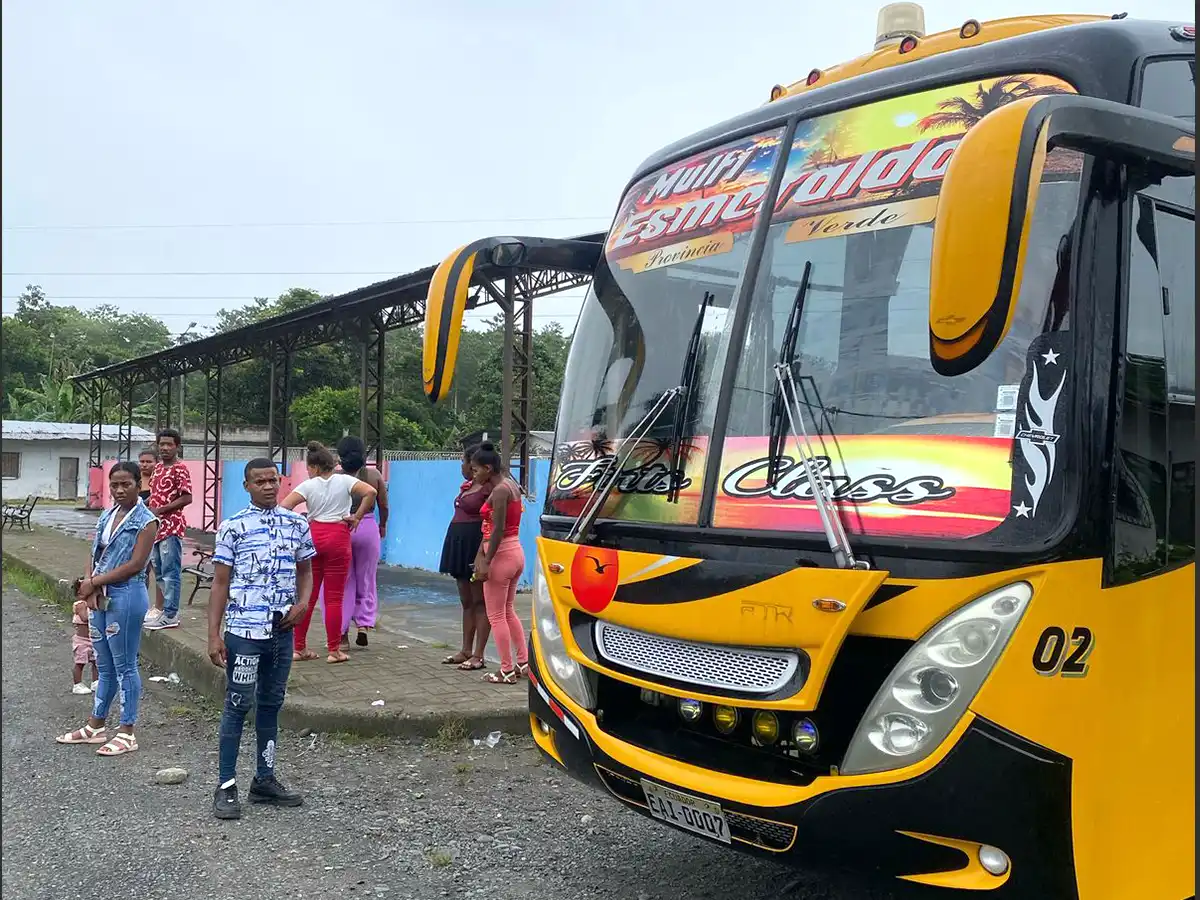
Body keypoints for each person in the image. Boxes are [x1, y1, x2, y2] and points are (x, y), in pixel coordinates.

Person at [208, 458, 315, 820]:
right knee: (238, 705)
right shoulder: (232, 527)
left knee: (271, 704)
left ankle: (264, 780)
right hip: (244, 634)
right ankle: (225, 786)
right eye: (260, 481)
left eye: (273, 480)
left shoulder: (297, 524)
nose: (268, 487)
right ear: (247, 486)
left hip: (280, 634)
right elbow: (220, 583)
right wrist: (213, 635)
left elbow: (306, 570)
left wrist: (302, 604)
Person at [55, 461, 158, 755]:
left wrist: (94, 582)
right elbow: (94, 552)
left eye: (127, 484)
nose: (120, 490)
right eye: (114, 485)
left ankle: (127, 731)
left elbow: (136, 564)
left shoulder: (146, 521)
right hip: (99, 596)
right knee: (104, 663)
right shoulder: (107, 514)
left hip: (126, 597)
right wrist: (89, 584)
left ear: (139, 485)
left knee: (125, 664)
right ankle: (95, 726)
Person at [280, 441, 377, 664]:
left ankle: (299, 648)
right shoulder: (344, 480)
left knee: (308, 596)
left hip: (313, 536)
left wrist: (300, 522)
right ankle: (334, 650)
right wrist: (357, 517)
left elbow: (284, 507)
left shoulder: (307, 486)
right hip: (338, 537)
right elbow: (370, 492)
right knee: (334, 598)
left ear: (313, 467)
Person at [471, 443, 529, 685]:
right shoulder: (511, 485)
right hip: (515, 551)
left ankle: (505, 670)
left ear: (488, 467)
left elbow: (497, 529)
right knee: (507, 610)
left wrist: (486, 560)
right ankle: (523, 662)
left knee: (496, 615)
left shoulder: (500, 491)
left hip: (502, 554)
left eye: (476, 471)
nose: (474, 475)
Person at [438, 444, 492, 671]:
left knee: (480, 601)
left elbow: (493, 521)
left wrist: (483, 553)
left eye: (464, 462)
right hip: (458, 545)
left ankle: (479, 654)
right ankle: (465, 649)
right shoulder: (468, 487)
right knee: (466, 601)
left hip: (474, 546)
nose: (462, 466)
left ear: (474, 464)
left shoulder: (489, 489)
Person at [334, 436, 388, 649]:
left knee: (344, 581)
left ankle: (342, 635)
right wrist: (382, 525)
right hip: (367, 527)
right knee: (366, 577)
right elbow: (384, 505)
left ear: (340, 456)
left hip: (342, 528)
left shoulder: (335, 478)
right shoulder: (373, 475)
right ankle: (364, 625)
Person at [145, 429, 192, 631]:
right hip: (156, 527)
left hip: (171, 526)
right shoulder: (157, 469)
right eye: (161, 444)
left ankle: (171, 614)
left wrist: (161, 509)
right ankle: (165, 611)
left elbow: (187, 497)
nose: (164, 448)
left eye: (169, 444)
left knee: (171, 572)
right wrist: (142, 505)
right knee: (160, 571)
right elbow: (155, 495)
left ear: (177, 446)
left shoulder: (180, 469)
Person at [137, 447, 162, 595]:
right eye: (142, 462)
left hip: (156, 526)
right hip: (137, 527)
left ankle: (161, 606)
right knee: (141, 568)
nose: (144, 465)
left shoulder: (159, 480)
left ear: (156, 463)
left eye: (148, 462)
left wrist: (141, 503)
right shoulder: (135, 479)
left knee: (158, 567)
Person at [70, 599, 99, 695]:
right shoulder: (81, 604)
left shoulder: (94, 601)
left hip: (92, 639)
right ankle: (77, 684)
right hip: (82, 641)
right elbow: (85, 618)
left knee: (96, 661)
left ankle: (96, 681)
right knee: (80, 662)